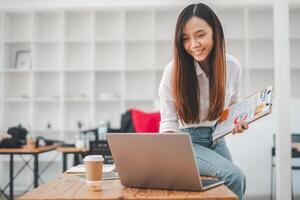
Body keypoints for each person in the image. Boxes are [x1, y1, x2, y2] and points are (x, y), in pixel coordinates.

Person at [158, 3, 248, 200]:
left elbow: (234, 104)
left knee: (232, 186)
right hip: (186, 141)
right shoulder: (173, 71)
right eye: (186, 39)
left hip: (218, 138)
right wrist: (173, 157)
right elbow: (168, 122)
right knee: (235, 177)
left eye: (200, 35)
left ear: (215, 33)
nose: (193, 44)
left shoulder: (231, 65)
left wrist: (238, 120)